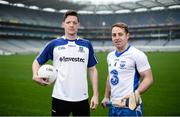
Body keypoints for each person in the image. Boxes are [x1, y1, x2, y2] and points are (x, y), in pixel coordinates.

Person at [32, 10, 99, 116]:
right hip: (59, 98)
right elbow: (37, 62)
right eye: (68, 22)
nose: (71, 25)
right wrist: (35, 75)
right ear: (63, 24)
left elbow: (92, 69)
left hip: (82, 98)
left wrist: (95, 95)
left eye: (74, 22)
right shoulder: (54, 44)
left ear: (78, 25)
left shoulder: (87, 44)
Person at [101, 22, 153, 116]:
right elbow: (110, 77)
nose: (117, 38)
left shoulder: (137, 54)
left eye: (120, 34)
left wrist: (135, 93)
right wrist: (106, 97)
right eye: (114, 35)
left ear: (127, 35)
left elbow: (148, 78)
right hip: (113, 106)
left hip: (130, 107)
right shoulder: (110, 56)